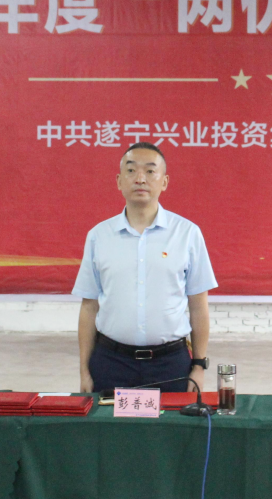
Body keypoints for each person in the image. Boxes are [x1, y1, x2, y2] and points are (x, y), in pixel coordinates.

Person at [74, 142, 217, 394]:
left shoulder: (187, 234)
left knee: (171, 422)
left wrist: (198, 366)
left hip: (170, 364)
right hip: (111, 363)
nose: (140, 178)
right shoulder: (99, 236)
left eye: (150, 171)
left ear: (164, 182)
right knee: (108, 421)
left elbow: (198, 306)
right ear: (119, 181)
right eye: (131, 171)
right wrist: (85, 370)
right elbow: (89, 307)